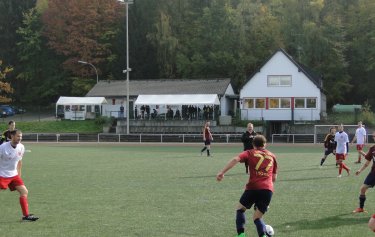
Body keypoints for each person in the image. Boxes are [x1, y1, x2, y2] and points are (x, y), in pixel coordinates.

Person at [216, 135, 277, 237]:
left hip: (253, 187)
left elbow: (236, 159)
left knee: (240, 209)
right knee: (257, 218)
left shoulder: (250, 152)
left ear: (253, 144)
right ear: (265, 144)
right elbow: (274, 178)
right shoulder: (272, 156)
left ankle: (241, 235)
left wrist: (222, 172)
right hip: (268, 190)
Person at [0, 129, 39, 221]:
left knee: (24, 191)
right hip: (2, 174)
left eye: (21, 136)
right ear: (12, 136)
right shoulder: (2, 147)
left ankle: (26, 216)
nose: (20, 138)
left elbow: (19, 162)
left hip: (14, 175)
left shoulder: (21, 147)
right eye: (18, 136)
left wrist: (19, 176)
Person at [353, 131, 375, 213]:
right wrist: (360, 170)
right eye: (373, 136)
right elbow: (367, 162)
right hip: (373, 173)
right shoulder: (372, 148)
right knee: (363, 189)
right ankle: (361, 208)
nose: (374, 137)